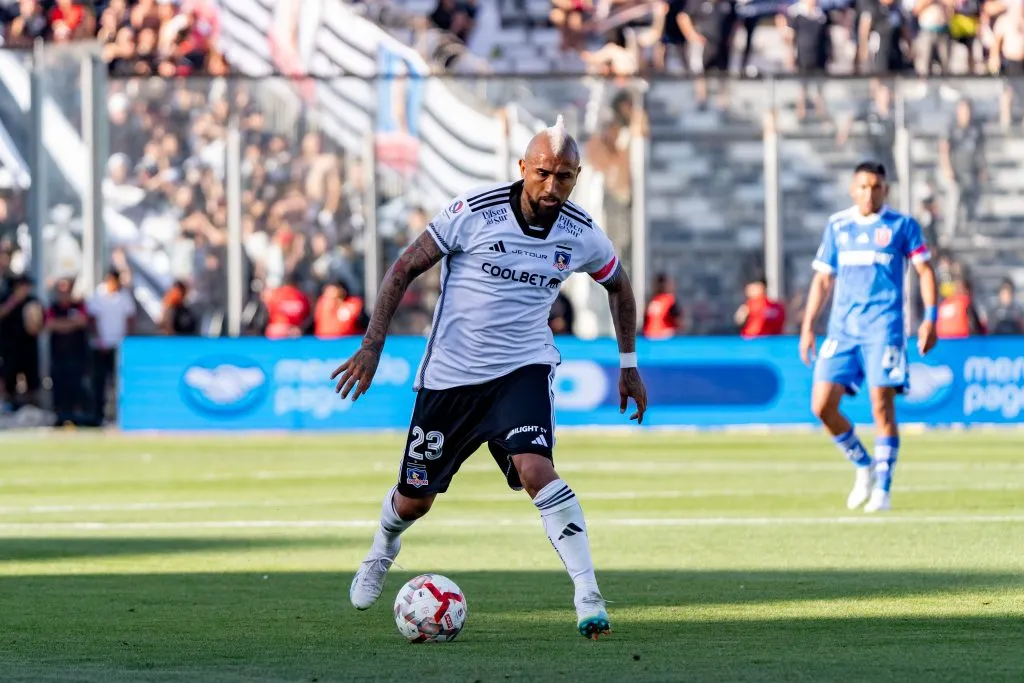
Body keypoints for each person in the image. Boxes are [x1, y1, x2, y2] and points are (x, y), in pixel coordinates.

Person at [333, 116, 648, 639]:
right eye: (543, 173)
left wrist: (629, 365)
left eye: (565, 176)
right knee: (415, 500)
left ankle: (588, 596)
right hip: (451, 377)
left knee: (535, 471)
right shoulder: (472, 213)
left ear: (577, 177)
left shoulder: (581, 233)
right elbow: (404, 267)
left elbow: (619, 286)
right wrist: (372, 345)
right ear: (522, 167)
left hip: (521, 370)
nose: (553, 187)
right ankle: (382, 548)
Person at [799, 161, 938, 514]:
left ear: (885, 190)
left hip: (884, 328)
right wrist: (807, 326)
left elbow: (925, 271)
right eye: (862, 186)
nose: (869, 193)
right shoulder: (838, 226)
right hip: (842, 329)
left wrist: (929, 319)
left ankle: (884, 490)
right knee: (822, 406)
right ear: (852, 189)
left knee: (881, 407)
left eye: (876, 186)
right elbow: (823, 279)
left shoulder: (902, 226)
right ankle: (864, 464)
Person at [643, 273, 681, 338]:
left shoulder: (653, 300)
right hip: (660, 337)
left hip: (653, 336)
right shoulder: (669, 300)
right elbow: (678, 321)